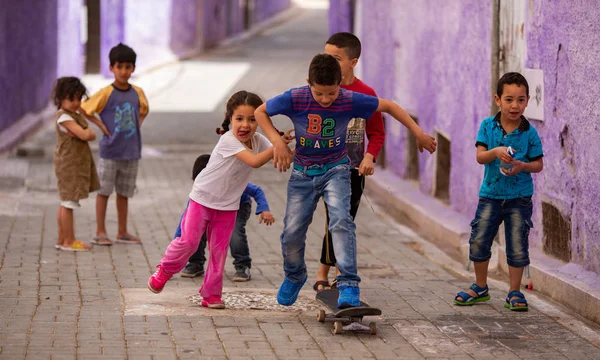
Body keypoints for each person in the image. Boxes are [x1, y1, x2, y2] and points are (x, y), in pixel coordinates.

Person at [254, 54, 436, 308]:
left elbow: (390, 107)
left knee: (341, 222)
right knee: (291, 232)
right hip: (302, 174)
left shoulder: (350, 99)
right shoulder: (296, 97)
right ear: (309, 83)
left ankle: (348, 283)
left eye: (332, 93)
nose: (326, 99)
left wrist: (419, 133)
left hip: (336, 170)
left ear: (341, 83)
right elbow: (260, 112)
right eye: (319, 94)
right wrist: (277, 144)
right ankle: (295, 275)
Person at [147, 91, 281, 309]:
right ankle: (165, 270)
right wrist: (278, 145)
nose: (245, 125)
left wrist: (295, 146)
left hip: (228, 206)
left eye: (252, 119)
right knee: (189, 242)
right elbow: (256, 162)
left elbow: (281, 154)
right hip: (202, 199)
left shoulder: (259, 140)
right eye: (239, 119)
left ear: (261, 121)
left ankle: (211, 294)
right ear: (229, 118)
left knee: (219, 253)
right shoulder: (228, 140)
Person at [454, 72, 544, 311]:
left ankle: (514, 292)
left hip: (519, 198)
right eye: (509, 99)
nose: (515, 105)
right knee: (480, 240)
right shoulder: (487, 126)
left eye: (521, 100)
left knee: (517, 245)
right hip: (490, 196)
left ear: (527, 101)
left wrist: (522, 166)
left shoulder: (529, 133)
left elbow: (539, 164)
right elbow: (480, 157)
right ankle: (480, 286)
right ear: (498, 99)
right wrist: (495, 152)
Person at [313, 32, 386, 292]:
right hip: (324, 168)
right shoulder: (320, 91)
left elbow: (376, 132)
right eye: (326, 56)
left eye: (335, 58)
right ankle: (336, 274)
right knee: (337, 218)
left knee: (343, 219)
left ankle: (327, 272)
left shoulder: (365, 94)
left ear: (353, 62)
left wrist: (369, 156)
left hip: (354, 169)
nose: (328, 62)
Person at [80, 43, 149, 246]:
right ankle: (100, 232)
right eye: (120, 67)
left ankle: (122, 231)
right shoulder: (105, 93)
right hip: (110, 151)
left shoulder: (138, 92)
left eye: (128, 67)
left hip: (131, 152)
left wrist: (137, 128)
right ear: (111, 68)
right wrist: (101, 125)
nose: (124, 71)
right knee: (104, 192)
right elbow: (85, 109)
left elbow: (143, 111)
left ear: (133, 69)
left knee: (124, 193)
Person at [177, 154, 275, 282]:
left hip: (239, 207)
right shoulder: (199, 193)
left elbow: (257, 191)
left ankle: (242, 265)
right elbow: (185, 224)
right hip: (211, 209)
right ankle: (196, 263)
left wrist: (264, 209)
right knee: (197, 231)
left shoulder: (232, 180)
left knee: (235, 232)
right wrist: (177, 248)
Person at [52, 77, 100, 252]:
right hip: (68, 166)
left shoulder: (74, 115)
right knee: (68, 203)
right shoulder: (64, 117)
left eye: (78, 99)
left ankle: (61, 239)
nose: (75, 103)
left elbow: (91, 134)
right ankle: (69, 241)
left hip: (74, 164)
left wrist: (86, 132)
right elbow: (86, 134)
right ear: (60, 98)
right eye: (71, 99)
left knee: (66, 202)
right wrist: (85, 132)